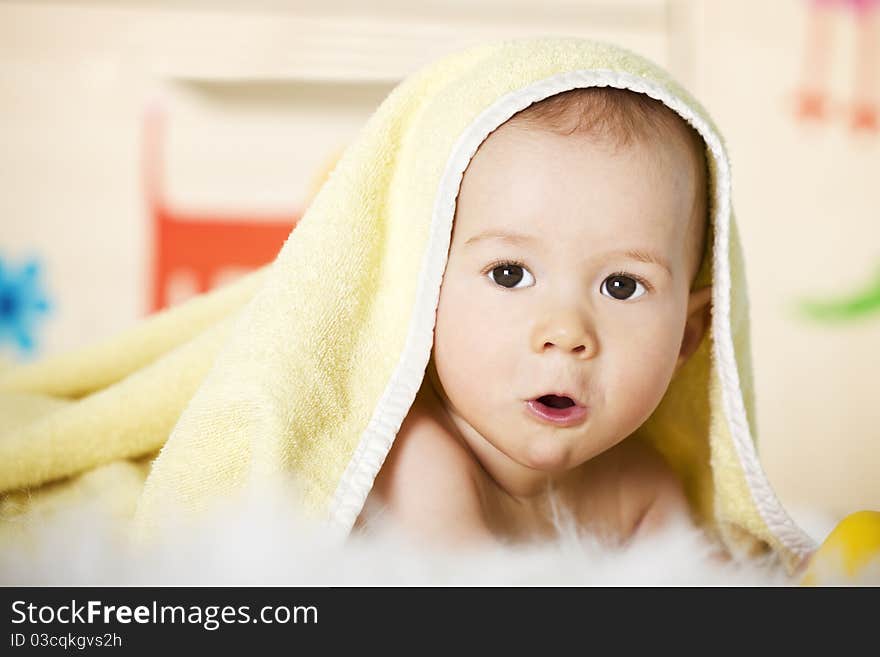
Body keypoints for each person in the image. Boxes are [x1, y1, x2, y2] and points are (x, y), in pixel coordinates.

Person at [355, 87, 713, 549]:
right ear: (422, 291)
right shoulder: (409, 455)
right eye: (509, 274)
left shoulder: (640, 485)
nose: (566, 332)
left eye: (621, 286)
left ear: (686, 336)